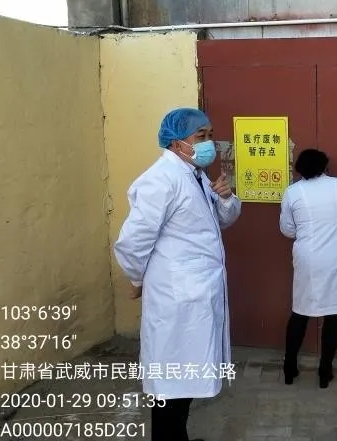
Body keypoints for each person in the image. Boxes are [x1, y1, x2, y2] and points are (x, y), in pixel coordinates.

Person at [113, 108, 242, 441]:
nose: (209, 142)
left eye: (210, 135)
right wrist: (137, 278)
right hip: (177, 299)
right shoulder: (161, 180)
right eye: (200, 136)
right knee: (170, 388)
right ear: (175, 143)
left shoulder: (194, 175)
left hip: (194, 295)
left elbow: (219, 222)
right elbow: (133, 242)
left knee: (182, 383)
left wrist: (226, 198)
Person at [279, 148, 337, 389]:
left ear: (300, 169)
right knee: (333, 313)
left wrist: (306, 233)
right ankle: (325, 371)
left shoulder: (292, 192)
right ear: (325, 166)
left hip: (308, 259)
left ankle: (289, 367)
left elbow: (287, 229)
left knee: (300, 311)